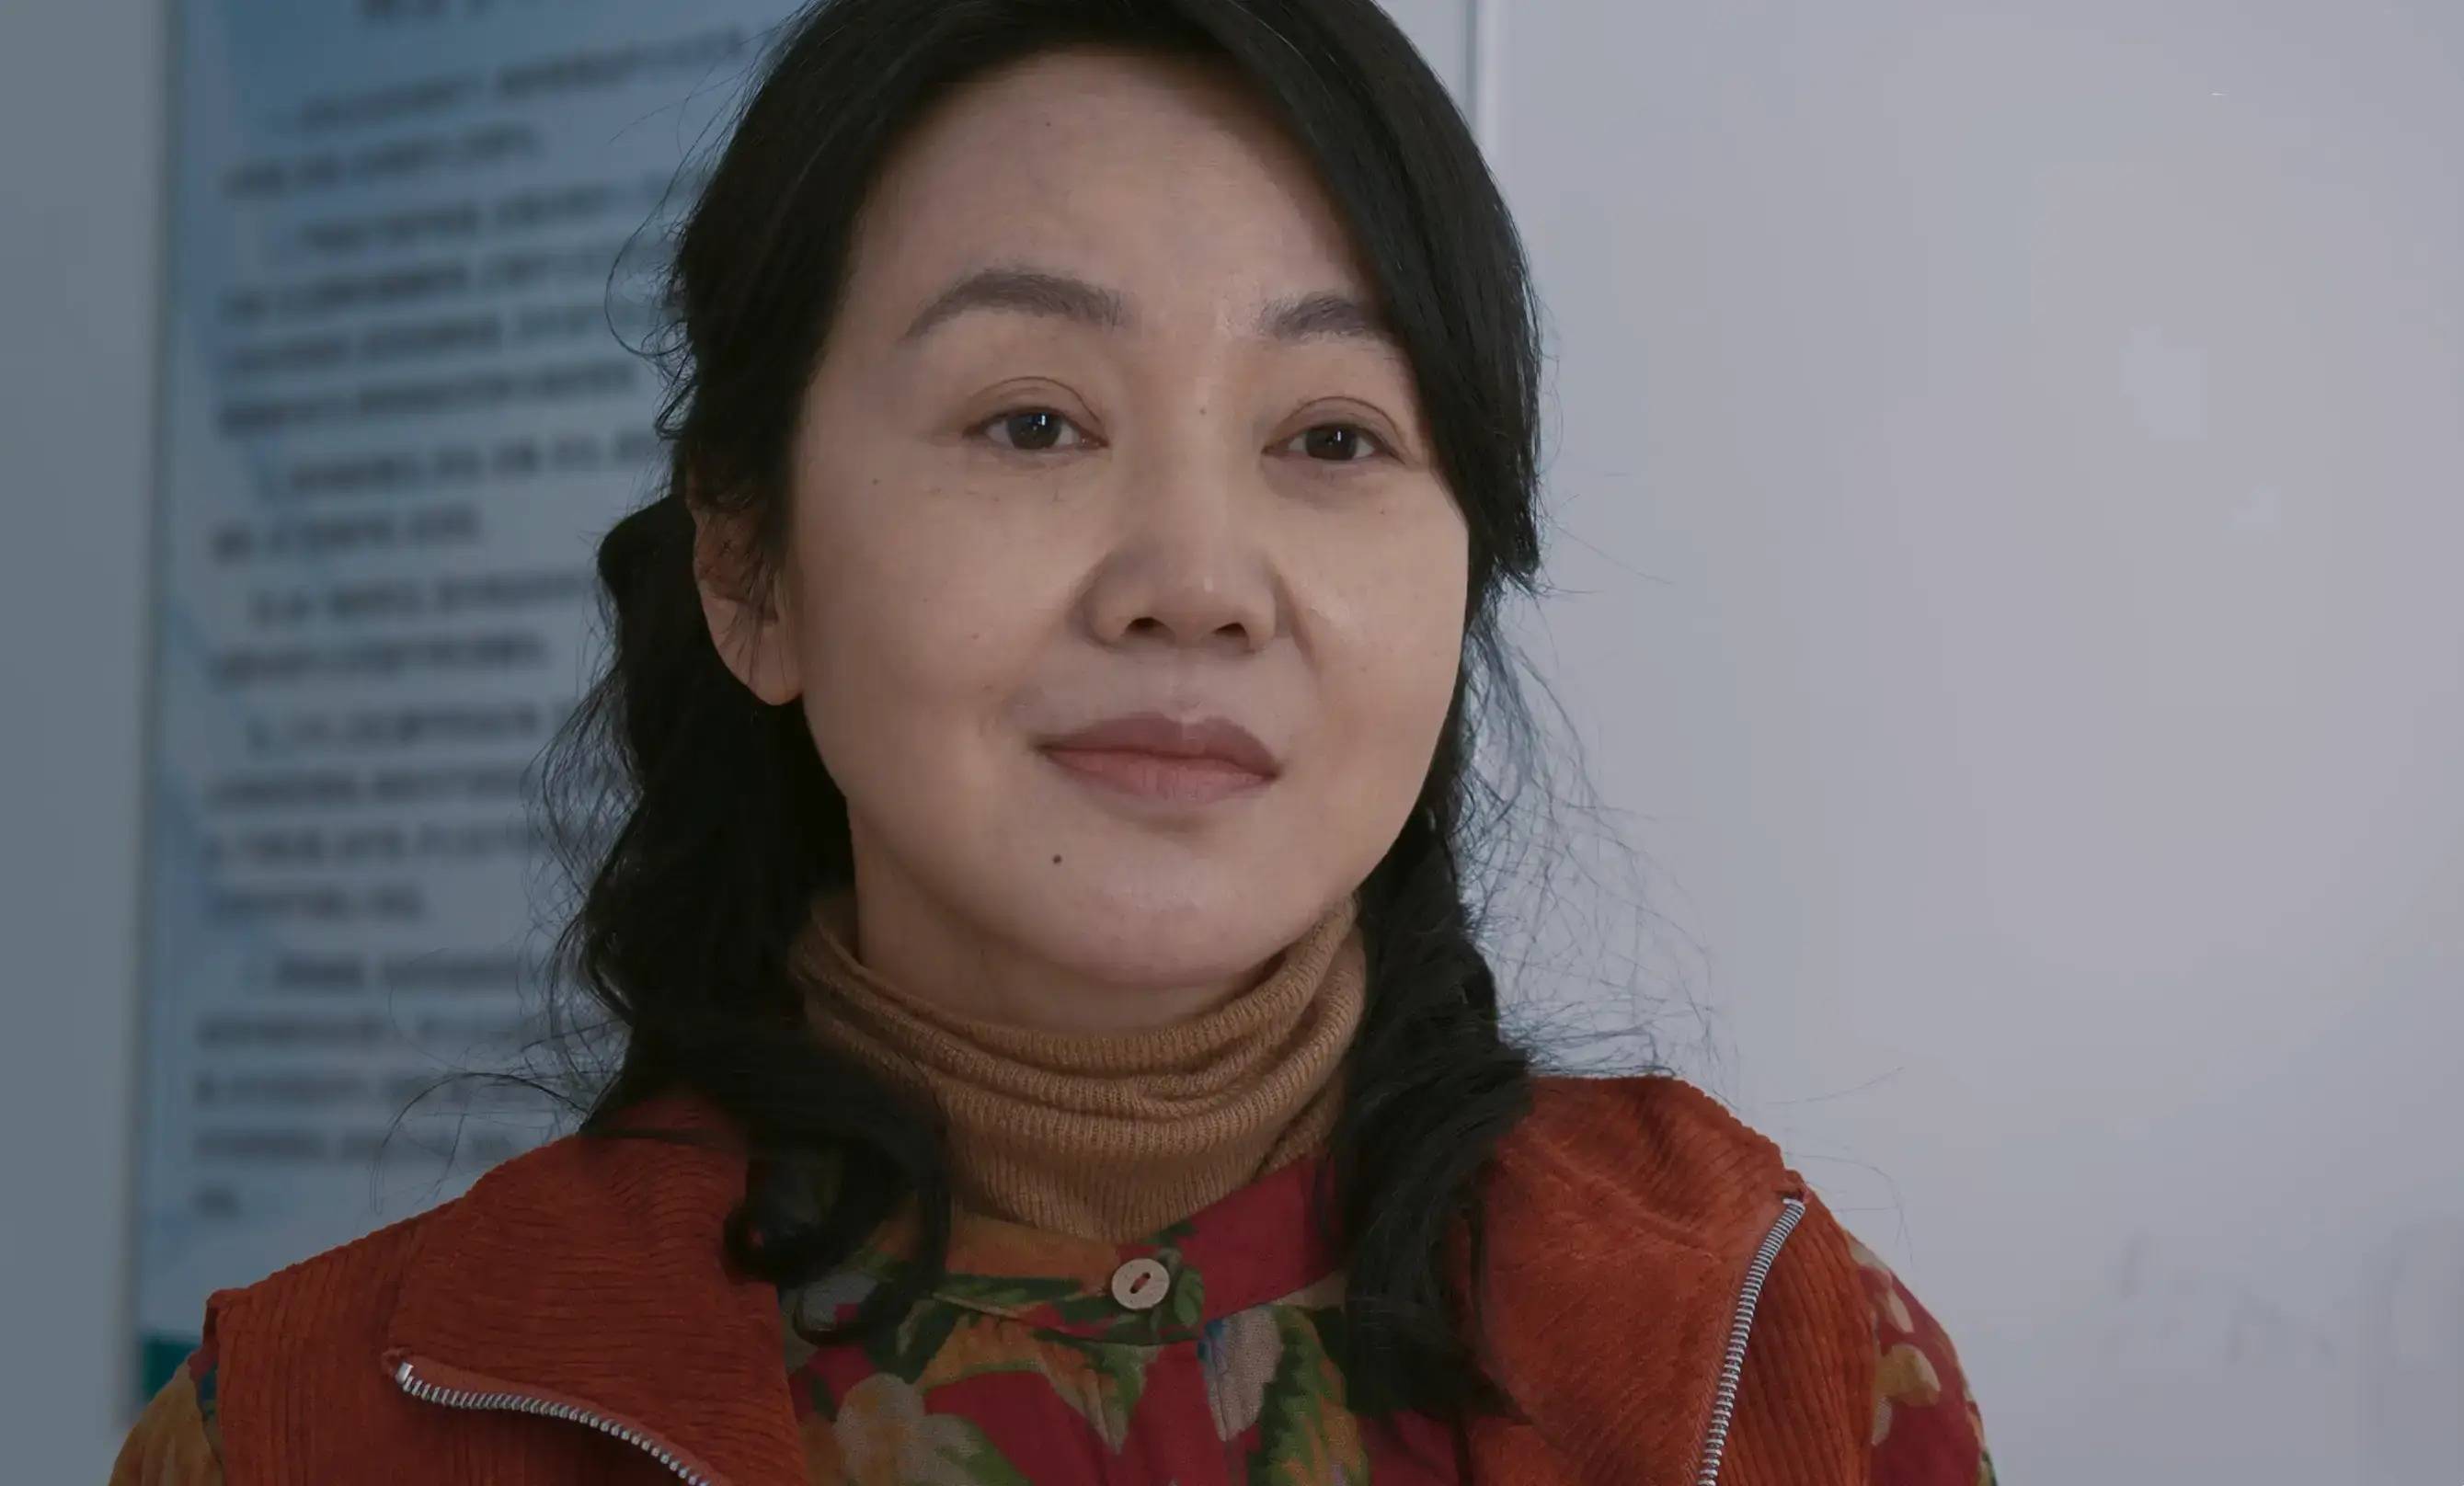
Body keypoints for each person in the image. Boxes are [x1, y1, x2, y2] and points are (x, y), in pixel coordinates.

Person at [113, 1, 1995, 1481]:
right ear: (750, 565)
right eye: (1032, 422)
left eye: (1331, 436)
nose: (1196, 583)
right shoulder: (318, 1429)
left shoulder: (1775, 1358)